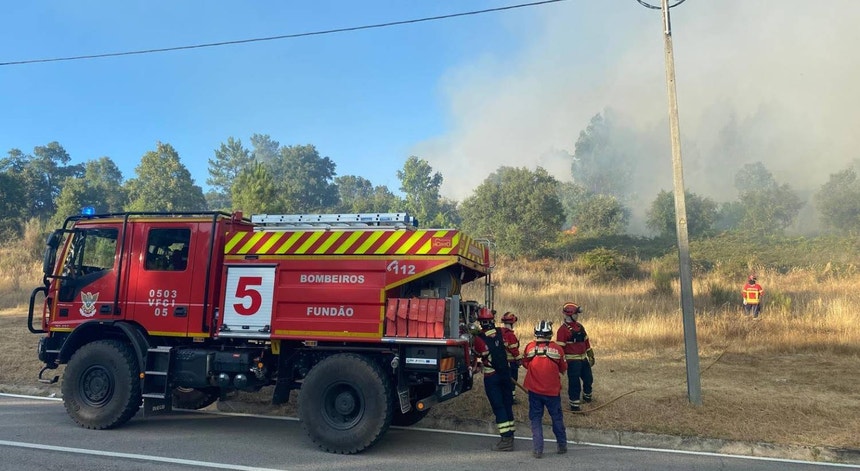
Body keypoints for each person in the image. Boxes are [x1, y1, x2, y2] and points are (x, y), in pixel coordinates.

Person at [522, 320, 568, 459]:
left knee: (536, 419)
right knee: (557, 418)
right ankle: (562, 445)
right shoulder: (558, 349)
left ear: (536, 333)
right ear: (550, 334)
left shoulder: (530, 347)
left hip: (534, 391)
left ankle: (538, 450)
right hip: (553, 392)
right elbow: (563, 368)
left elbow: (525, 364)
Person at [473, 307, 516, 451]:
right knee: (507, 404)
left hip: (492, 377)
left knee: (499, 407)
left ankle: (505, 440)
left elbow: (479, 355)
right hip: (505, 374)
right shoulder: (501, 332)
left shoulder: (479, 339)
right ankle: (510, 436)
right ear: (492, 320)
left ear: (481, 322)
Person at [555, 302, 595, 412]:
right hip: (572, 362)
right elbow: (560, 349)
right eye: (576, 314)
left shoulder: (580, 326)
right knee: (574, 383)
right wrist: (561, 363)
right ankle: (574, 404)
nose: (577, 316)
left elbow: (586, 341)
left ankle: (587, 397)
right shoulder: (562, 330)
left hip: (583, 359)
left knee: (588, 379)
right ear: (570, 315)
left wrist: (590, 355)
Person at [500, 311, 524, 403]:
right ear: (512, 322)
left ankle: (505, 397)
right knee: (513, 380)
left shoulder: (500, 332)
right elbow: (514, 350)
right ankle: (511, 398)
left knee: (504, 380)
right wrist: (519, 359)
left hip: (502, 362)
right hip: (511, 362)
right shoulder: (510, 335)